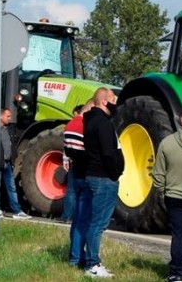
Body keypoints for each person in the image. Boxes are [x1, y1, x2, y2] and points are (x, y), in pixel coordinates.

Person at [151, 104, 182, 282]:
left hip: (175, 197)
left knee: (179, 236)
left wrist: (163, 192)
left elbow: (158, 174)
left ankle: (176, 274)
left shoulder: (167, 142)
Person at [79, 87, 123, 278]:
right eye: (113, 100)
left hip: (94, 175)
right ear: (104, 102)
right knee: (98, 224)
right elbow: (108, 152)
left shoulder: (89, 121)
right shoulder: (103, 123)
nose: (115, 104)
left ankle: (90, 260)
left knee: (92, 221)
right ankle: (92, 264)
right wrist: (115, 173)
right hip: (104, 178)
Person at [65, 101, 93, 267]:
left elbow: (69, 151)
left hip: (76, 173)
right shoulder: (85, 126)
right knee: (83, 219)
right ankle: (76, 258)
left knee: (77, 219)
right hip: (86, 174)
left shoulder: (70, 124)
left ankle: (74, 254)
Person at [60, 104, 85, 223]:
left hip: (72, 161)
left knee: (71, 190)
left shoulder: (69, 125)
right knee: (82, 192)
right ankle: (77, 217)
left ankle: (66, 216)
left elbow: (65, 145)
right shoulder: (85, 125)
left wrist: (65, 159)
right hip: (83, 161)